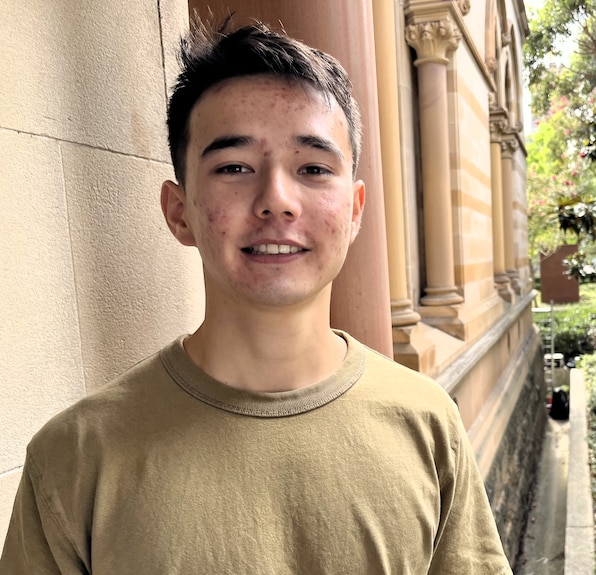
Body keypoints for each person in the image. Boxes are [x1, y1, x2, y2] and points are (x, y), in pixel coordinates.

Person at [0, 20, 513, 575]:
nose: (277, 200)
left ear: (356, 210)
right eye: (234, 167)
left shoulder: (428, 425)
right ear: (179, 211)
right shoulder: (75, 458)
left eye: (313, 168)